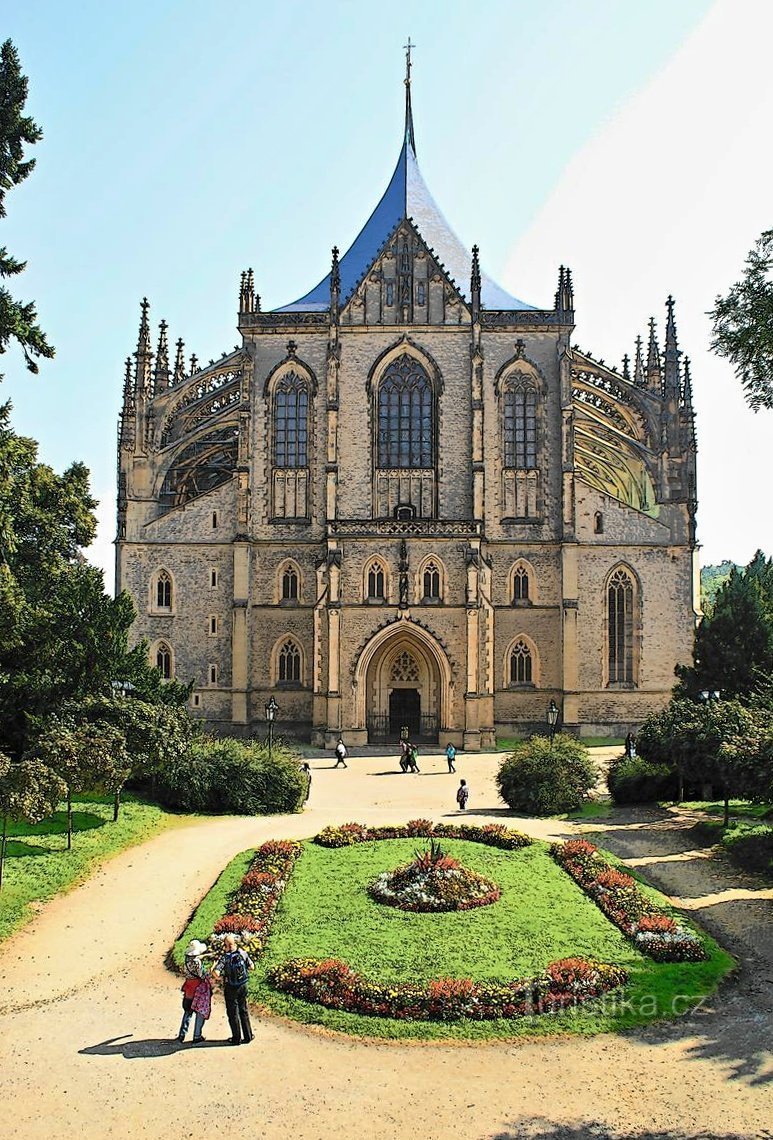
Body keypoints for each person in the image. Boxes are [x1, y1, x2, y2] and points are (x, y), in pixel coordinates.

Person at [213, 933, 255, 1045]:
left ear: (226, 945)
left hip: (231, 987)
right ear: (235, 943)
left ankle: (236, 1038)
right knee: (244, 1010)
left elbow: (216, 973)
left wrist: (219, 974)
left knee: (233, 1013)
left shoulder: (224, 958)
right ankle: (248, 1036)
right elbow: (252, 967)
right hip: (243, 985)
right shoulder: (243, 953)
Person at [177, 939, 212, 1044]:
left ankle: (182, 1034)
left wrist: (205, 956)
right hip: (198, 988)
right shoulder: (197, 962)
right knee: (199, 1011)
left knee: (188, 1011)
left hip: (189, 987)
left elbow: (196, 958)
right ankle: (197, 1035)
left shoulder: (187, 960)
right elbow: (202, 975)